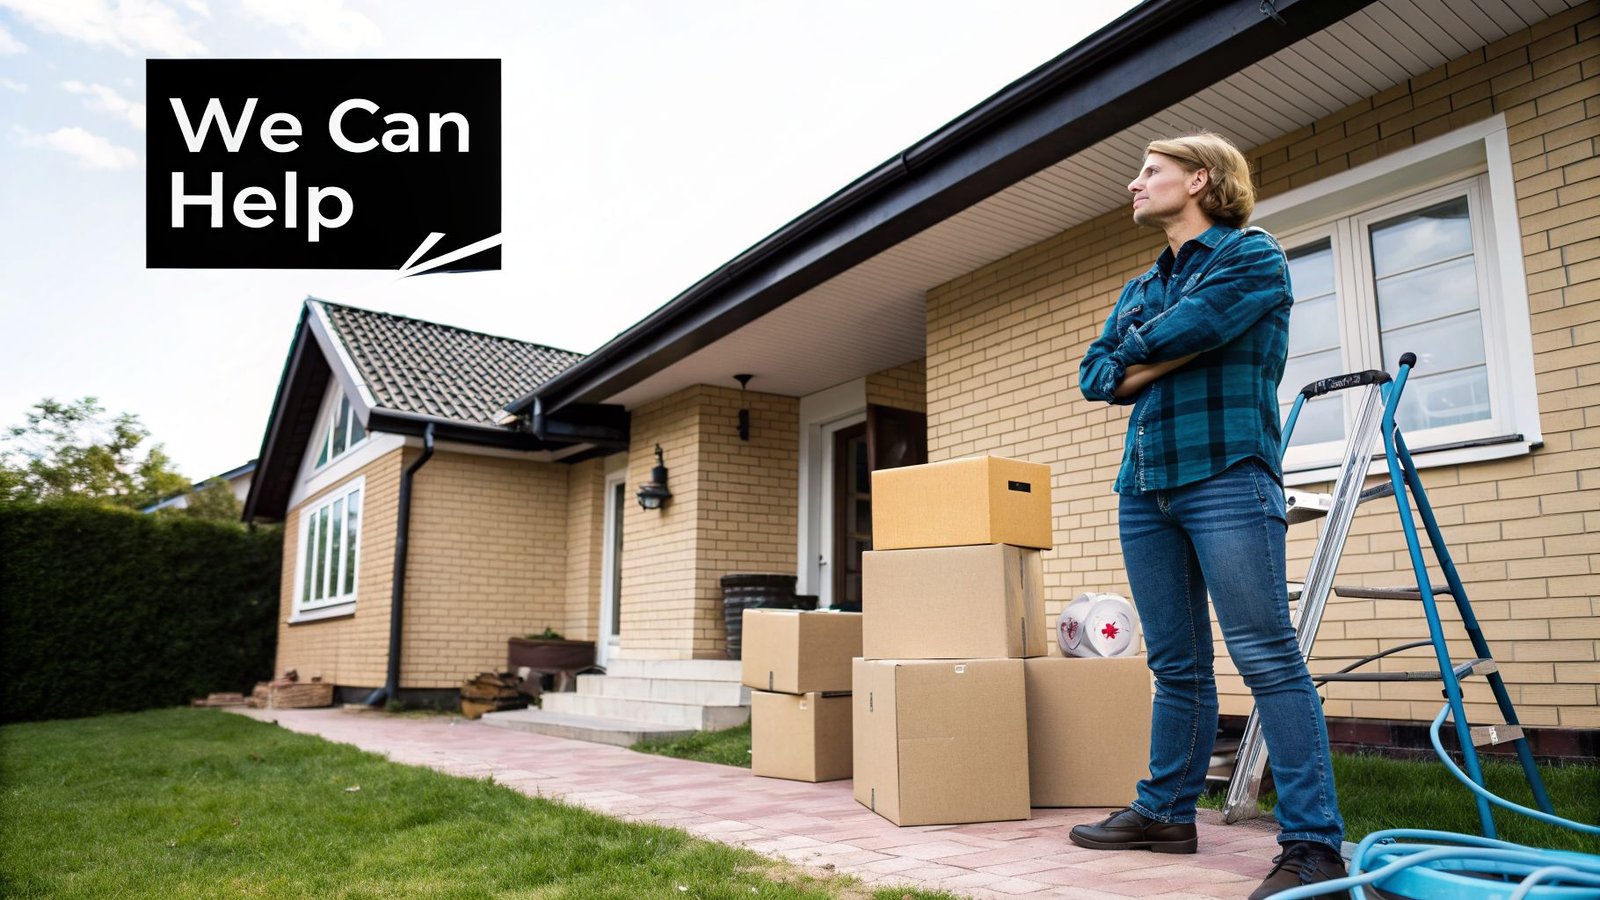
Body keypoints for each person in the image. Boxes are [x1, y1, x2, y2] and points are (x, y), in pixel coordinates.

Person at [1069, 133, 1349, 900]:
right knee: (1176, 666)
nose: (1134, 184)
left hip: (1227, 473)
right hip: (1145, 488)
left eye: (1149, 172)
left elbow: (1199, 326)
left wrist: (1144, 356)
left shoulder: (1252, 255)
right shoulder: (1140, 283)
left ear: (1200, 178)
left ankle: (1314, 844)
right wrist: (1147, 355)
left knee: (1266, 657)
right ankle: (1165, 814)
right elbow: (1097, 376)